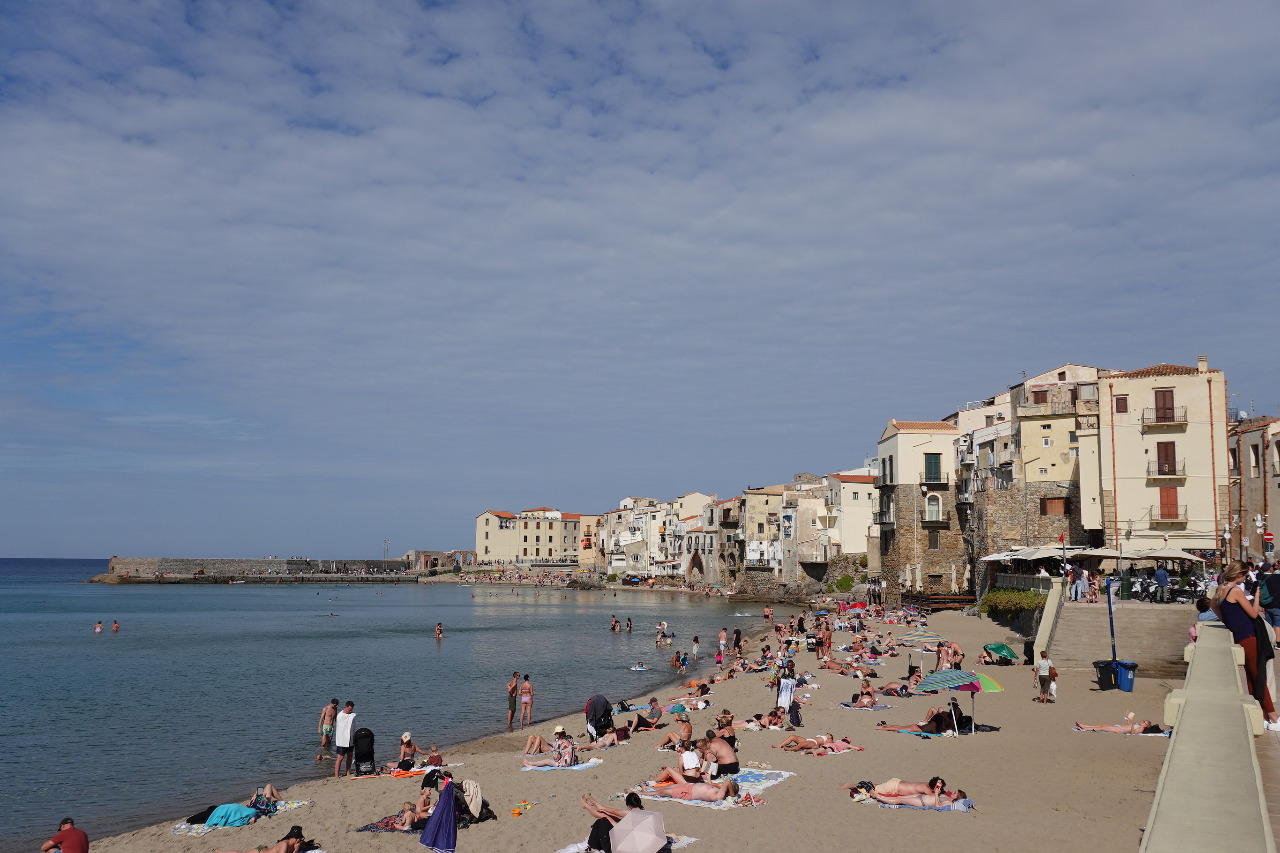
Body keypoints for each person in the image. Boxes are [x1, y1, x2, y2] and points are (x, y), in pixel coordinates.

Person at [1211, 562, 1280, 730]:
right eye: (1245, 575)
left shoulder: (1221, 588)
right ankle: (1273, 717)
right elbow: (1254, 614)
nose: (1246, 578)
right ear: (1238, 575)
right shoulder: (1235, 591)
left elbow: (1213, 606)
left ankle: (1261, 715)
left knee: (1251, 675)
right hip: (1249, 636)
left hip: (1239, 635)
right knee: (1258, 675)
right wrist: (1257, 597)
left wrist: (1228, 621)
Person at [214, 825, 308, 853]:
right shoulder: (284, 844)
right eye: (300, 839)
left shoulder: (291, 846)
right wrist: (296, 850)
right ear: (297, 839)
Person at [641, 778, 739, 803]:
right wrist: (709, 778)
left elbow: (728, 781)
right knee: (669, 786)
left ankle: (641, 793)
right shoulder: (719, 790)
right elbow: (710, 786)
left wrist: (732, 796)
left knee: (662, 791)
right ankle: (648, 788)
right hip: (689, 786)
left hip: (688, 793)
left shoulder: (719, 796)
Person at [333, 701, 356, 778]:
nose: (350, 711)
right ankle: (336, 775)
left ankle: (348, 772)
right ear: (346, 707)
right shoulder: (340, 716)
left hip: (350, 739)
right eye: (349, 710)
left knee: (350, 756)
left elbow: (353, 726)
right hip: (342, 740)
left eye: (351, 710)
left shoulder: (351, 715)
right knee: (340, 758)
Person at [1076, 718, 1171, 735]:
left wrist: (1132, 725)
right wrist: (1129, 722)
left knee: (1101, 728)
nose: (1142, 722)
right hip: (1118, 726)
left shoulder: (1141, 728)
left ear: (1146, 726)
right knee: (1101, 725)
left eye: (1144, 722)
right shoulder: (1138, 724)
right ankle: (1085, 726)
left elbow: (1133, 732)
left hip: (1119, 729)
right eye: (1143, 721)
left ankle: (1084, 728)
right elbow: (1130, 726)